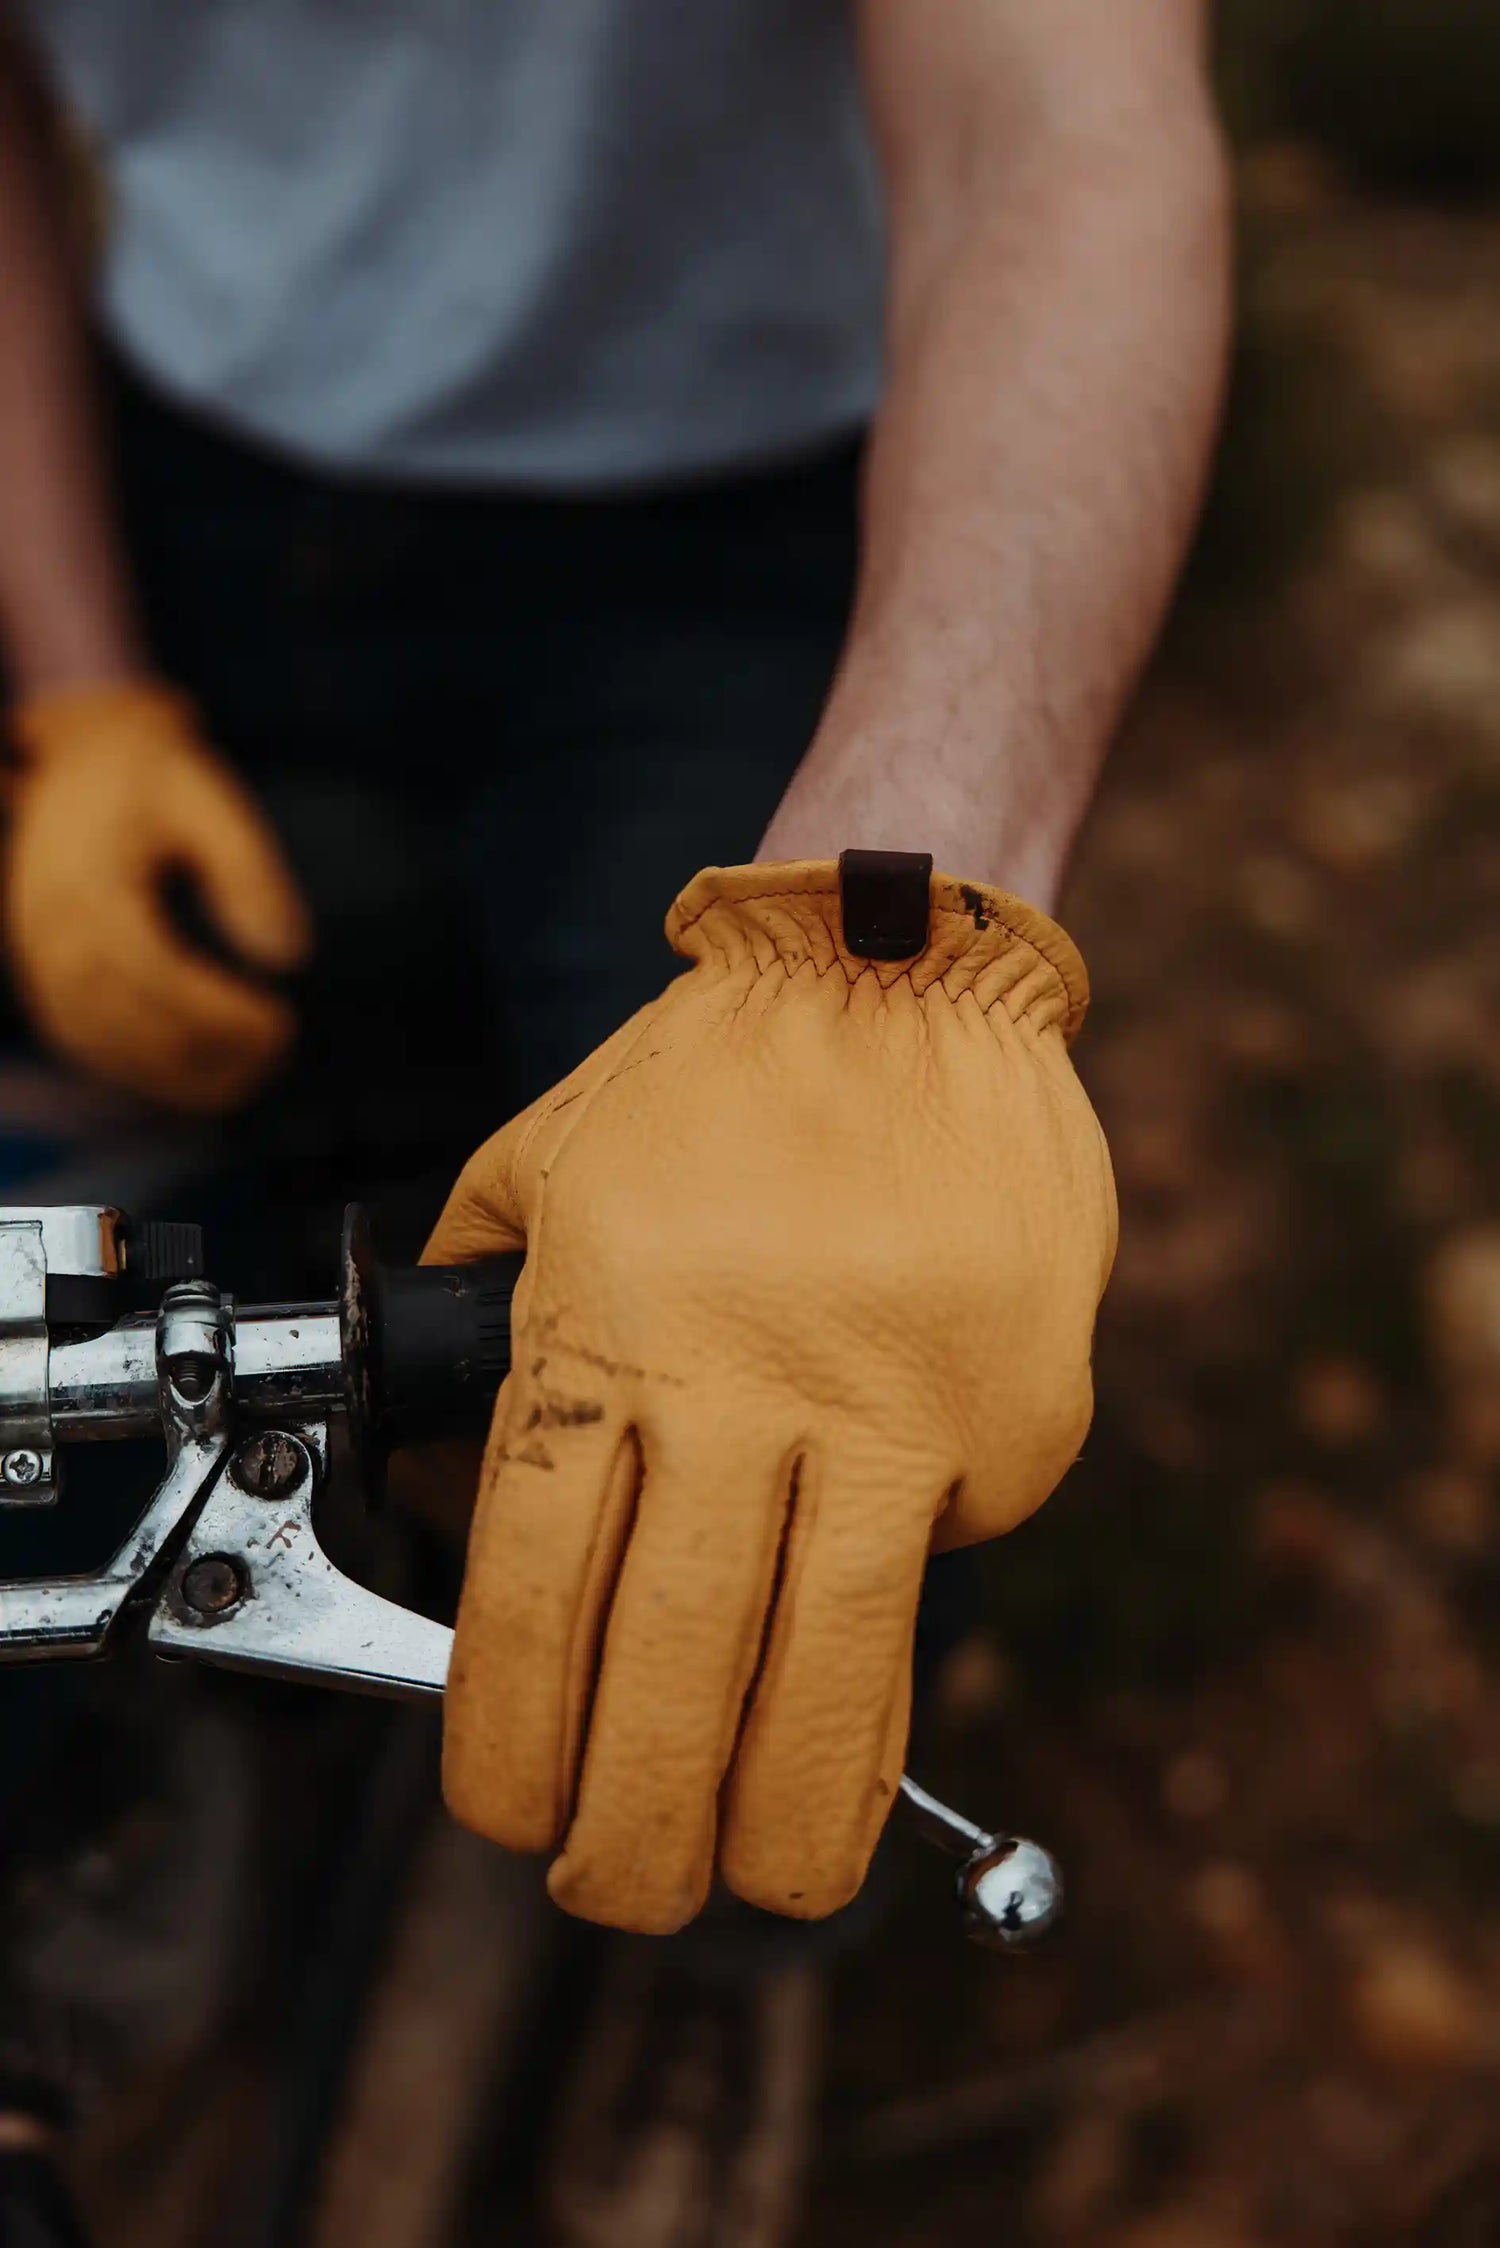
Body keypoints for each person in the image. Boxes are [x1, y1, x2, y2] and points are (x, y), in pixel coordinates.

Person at [0, 2, 1230, 2240]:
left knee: (829, 1333)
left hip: (754, 510)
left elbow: (1062, 119)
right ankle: (170, 1698)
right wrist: (78, 681)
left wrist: (889, 950)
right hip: (184, 453)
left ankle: (747, 1930)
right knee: (173, 1179)